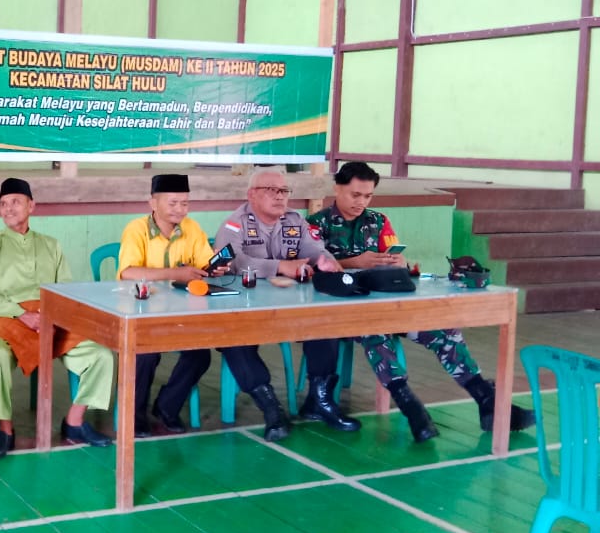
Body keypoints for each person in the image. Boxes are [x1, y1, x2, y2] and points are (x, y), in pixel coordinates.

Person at [307, 161, 536, 442]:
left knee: (444, 331)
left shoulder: (378, 221)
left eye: (368, 196)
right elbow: (311, 268)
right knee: (376, 331)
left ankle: (486, 401)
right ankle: (412, 409)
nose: (361, 202)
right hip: (343, 310)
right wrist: (354, 262)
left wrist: (397, 261)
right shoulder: (316, 224)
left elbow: (395, 255)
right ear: (337, 189)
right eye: (355, 195)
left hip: (390, 302)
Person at [212, 167, 363, 439]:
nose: (280, 196)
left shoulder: (295, 220)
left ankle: (319, 401)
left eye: (283, 190)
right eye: (271, 190)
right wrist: (281, 266)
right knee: (233, 338)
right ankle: (271, 408)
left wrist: (325, 261)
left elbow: (315, 250)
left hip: (289, 307)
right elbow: (234, 262)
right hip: (246, 308)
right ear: (252, 195)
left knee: (324, 321)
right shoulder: (234, 224)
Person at [0, 178, 115, 459]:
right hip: (10, 318)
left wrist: (52, 316)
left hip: (52, 318)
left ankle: (74, 422)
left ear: (32, 206)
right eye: (3, 204)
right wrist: (22, 314)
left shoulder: (51, 245)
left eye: (15, 202)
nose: (8, 209)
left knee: (101, 355)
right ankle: (4, 430)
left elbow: (65, 289)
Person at [115, 174, 229, 437]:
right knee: (144, 355)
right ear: (153, 203)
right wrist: (175, 274)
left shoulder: (192, 228)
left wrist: (216, 267)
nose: (180, 209)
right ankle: (134, 414)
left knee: (199, 355)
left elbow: (204, 263)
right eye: (173, 203)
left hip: (180, 313)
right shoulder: (136, 229)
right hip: (140, 312)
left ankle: (167, 406)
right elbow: (128, 272)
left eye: (185, 203)